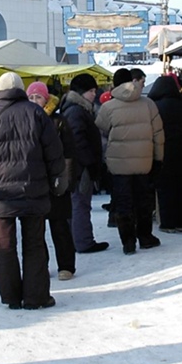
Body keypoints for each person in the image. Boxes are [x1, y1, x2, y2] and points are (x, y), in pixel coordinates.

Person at [0, 72, 66, 309]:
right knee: (35, 244)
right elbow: (54, 153)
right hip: (34, 188)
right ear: (21, 89)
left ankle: (10, 296)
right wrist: (58, 182)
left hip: (1, 194)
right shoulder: (37, 113)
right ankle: (36, 297)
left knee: (5, 245)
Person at [96, 68, 165, 254]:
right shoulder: (149, 104)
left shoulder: (108, 107)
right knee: (144, 201)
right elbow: (158, 135)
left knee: (123, 203)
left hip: (118, 166)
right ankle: (145, 237)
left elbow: (101, 132)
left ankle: (128, 242)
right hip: (145, 162)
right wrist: (158, 159)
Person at [27, 81, 78, 281]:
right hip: (34, 182)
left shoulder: (58, 121)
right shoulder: (25, 120)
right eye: (30, 97)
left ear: (46, 99)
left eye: (38, 97)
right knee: (36, 229)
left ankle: (66, 266)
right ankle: (42, 265)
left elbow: (69, 153)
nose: (34, 101)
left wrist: (66, 181)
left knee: (60, 227)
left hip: (56, 182)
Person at [60, 73, 109, 254]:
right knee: (80, 204)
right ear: (81, 92)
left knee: (77, 204)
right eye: (91, 91)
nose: (93, 95)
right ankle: (84, 242)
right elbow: (77, 141)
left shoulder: (73, 108)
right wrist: (90, 162)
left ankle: (77, 240)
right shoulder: (76, 111)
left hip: (76, 167)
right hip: (80, 168)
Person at [148, 74, 182, 231]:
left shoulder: (154, 106)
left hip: (163, 150)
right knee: (181, 187)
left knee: (165, 188)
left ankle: (168, 222)